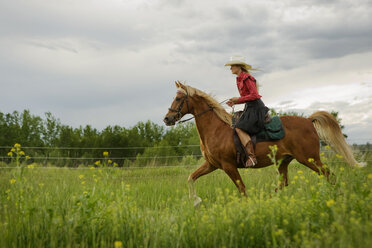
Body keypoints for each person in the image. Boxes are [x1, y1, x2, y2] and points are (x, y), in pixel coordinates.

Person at [225, 56, 269, 167]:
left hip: (256, 109)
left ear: (239, 66)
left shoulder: (247, 78)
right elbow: (247, 97)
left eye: (232, 66)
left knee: (239, 128)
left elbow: (254, 95)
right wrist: (235, 102)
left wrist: (238, 99)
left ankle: (252, 157)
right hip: (250, 107)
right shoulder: (239, 79)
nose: (230, 68)